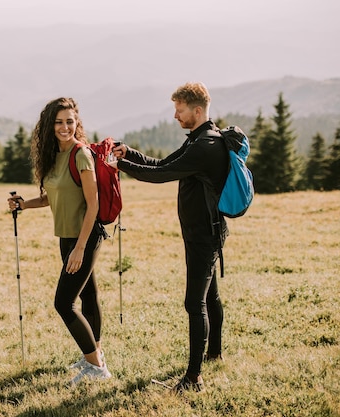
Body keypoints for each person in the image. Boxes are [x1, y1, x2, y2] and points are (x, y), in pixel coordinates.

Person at [109, 82, 228, 392]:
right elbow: (163, 164)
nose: (175, 116)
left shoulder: (205, 146)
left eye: (180, 110)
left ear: (197, 111)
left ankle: (193, 378)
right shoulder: (198, 140)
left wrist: (118, 165)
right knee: (209, 296)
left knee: (194, 303)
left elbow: (160, 175)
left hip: (204, 235)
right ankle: (214, 353)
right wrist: (130, 154)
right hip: (203, 231)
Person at [8, 97, 111, 385]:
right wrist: (23, 205)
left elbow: (93, 204)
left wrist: (80, 247)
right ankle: (95, 355)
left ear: (77, 123)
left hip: (85, 238)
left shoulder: (81, 155)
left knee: (64, 303)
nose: (65, 127)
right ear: (50, 126)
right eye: (59, 122)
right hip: (66, 238)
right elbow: (51, 196)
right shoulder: (55, 156)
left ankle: (97, 368)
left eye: (70, 121)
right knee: (88, 295)